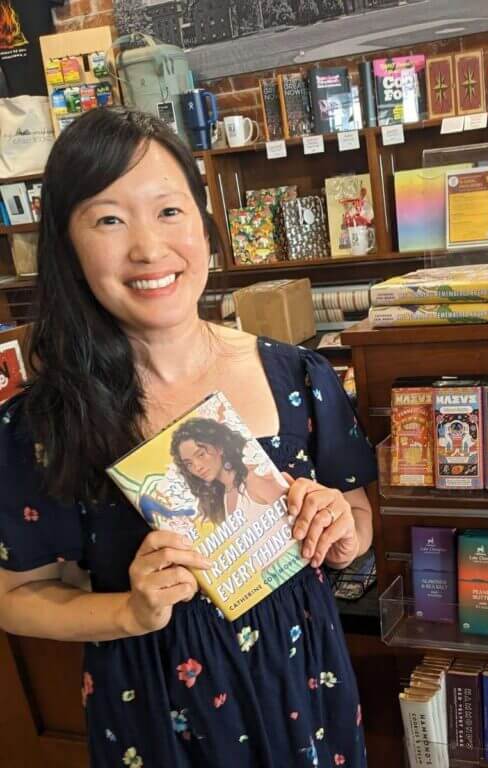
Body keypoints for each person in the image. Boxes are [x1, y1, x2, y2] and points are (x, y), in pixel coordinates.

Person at [0, 107, 377, 767]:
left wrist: (340, 525)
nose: (148, 248)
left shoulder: (299, 375)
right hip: (152, 704)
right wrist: (129, 611)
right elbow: (17, 597)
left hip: (304, 681)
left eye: (168, 211)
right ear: (68, 243)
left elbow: (360, 516)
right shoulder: (43, 422)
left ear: (204, 224)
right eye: (108, 218)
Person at [171, 417, 286, 525]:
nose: (197, 467)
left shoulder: (255, 479)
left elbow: (296, 521)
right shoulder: (223, 496)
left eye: (201, 454)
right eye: (189, 464)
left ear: (219, 447)